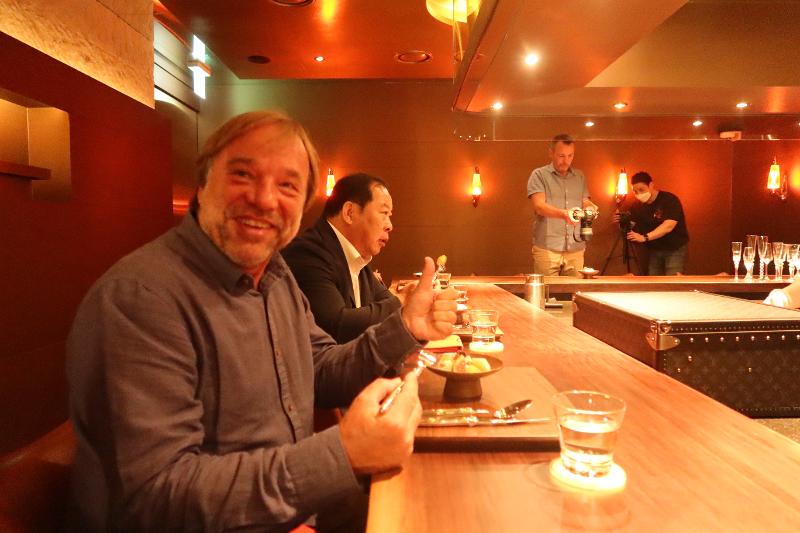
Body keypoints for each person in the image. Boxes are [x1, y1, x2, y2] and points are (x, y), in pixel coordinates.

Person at [66, 111, 457, 532]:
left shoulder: (274, 276)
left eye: (287, 185)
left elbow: (320, 369)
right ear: (202, 185)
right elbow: (156, 495)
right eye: (242, 174)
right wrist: (341, 454)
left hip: (292, 507)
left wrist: (405, 327)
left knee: (444, 508)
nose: (265, 199)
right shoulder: (141, 298)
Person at [282, 173, 400, 343]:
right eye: (384, 213)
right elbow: (337, 326)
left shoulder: (358, 260)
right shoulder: (308, 253)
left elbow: (389, 305)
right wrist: (404, 302)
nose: (389, 225)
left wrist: (404, 303)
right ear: (349, 212)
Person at [526, 133, 597, 276]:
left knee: (574, 292)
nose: (566, 161)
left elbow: (584, 200)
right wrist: (564, 214)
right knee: (545, 293)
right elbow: (539, 206)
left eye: (570, 156)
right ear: (551, 153)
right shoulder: (539, 175)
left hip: (575, 247)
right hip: (548, 248)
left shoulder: (579, 176)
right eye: (561, 156)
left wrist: (591, 207)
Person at [623, 171, 689, 275]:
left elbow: (668, 226)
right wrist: (623, 222)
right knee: (653, 280)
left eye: (641, 190)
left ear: (651, 185)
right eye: (635, 192)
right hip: (654, 249)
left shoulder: (669, 200)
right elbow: (631, 224)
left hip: (674, 247)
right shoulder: (637, 206)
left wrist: (645, 237)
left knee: (673, 281)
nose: (639, 194)